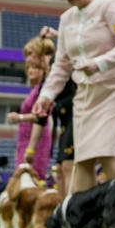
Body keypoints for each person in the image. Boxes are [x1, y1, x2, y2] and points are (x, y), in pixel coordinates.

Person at [32, 0, 115, 194]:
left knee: (109, 152)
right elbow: (61, 64)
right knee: (82, 160)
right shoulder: (66, 19)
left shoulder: (110, 6)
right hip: (85, 95)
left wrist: (100, 63)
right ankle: (83, 225)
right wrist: (46, 95)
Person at [7, 36, 55, 180]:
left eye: (31, 56)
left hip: (37, 138)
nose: (30, 68)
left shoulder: (46, 87)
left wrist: (19, 117)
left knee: (32, 178)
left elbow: (43, 114)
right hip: (24, 138)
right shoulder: (34, 90)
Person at [38, 25, 77, 195]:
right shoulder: (48, 80)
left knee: (69, 168)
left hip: (76, 116)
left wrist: (56, 34)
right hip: (64, 123)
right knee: (60, 171)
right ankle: (62, 214)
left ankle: (72, 214)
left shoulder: (62, 63)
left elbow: (82, 44)